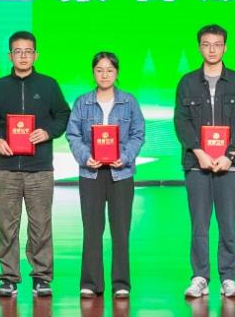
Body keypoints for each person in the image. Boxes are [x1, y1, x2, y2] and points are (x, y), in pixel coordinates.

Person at [0, 31, 70, 297]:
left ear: (36, 55)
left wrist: (48, 132)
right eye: (18, 51)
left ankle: (41, 277)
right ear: (10, 55)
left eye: (28, 51)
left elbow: (63, 115)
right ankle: (8, 277)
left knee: (40, 225)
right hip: (7, 168)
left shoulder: (49, 85)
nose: (23, 56)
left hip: (39, 168)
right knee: (7, 226)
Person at [174, 24, 235, 299]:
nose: (212, 49)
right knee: (199, 224)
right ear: (199, 47)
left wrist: (229, 155)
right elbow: (181, 121)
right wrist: (199, 152)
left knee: (228, 223)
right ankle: (200, 277)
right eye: (206, 44)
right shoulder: (187, 83)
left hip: (230, 164)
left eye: (217, 44)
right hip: (197, 164)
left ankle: (228, 278)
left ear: (225, 47)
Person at [66, 52, 145, 299]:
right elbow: (73, 134)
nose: (104, 75)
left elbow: (138, 134)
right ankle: (91, 283)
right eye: (99, 70)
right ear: (93, 73)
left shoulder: (129, 102)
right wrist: (85, 156)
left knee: (120, 230)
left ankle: (121, 283)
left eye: (109, 70)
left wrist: (126, 155)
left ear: (117, 73)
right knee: (92, 230)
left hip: (121, 174)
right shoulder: (82, 102)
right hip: (91, 174)